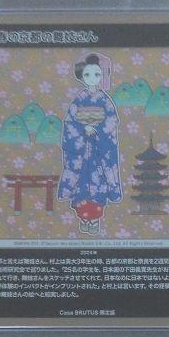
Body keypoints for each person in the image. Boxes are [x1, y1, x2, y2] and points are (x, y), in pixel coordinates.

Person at [57, 52, 123, 234]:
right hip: (81, 151)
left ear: (102, 75)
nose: (92, 78)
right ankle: (84, 219)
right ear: (81, 76)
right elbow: (70, 122)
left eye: (96, 74)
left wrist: (97, 130)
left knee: (98, 183)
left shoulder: (105, 100)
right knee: (81, 184)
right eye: (87, 74)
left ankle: (94, 221)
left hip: (99, 153)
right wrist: (83, 129)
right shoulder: (79, 100)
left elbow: (112, 120)